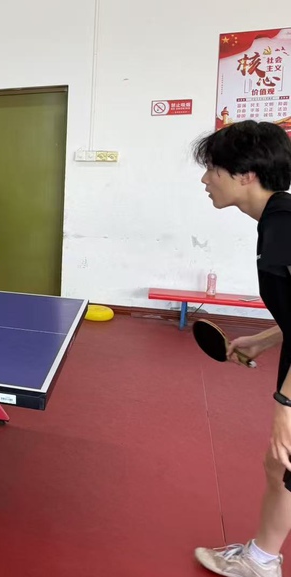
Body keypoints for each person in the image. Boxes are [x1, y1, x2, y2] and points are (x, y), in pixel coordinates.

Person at [192, 120, 291, 577]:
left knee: (282, 459)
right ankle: (262, 558)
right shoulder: (277, 220)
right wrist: (265, 338)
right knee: (280, 466)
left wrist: (285, 404)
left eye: (212, 168)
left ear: (246, 174)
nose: (205, 179)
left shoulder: (282, 228)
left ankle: (262, 561)